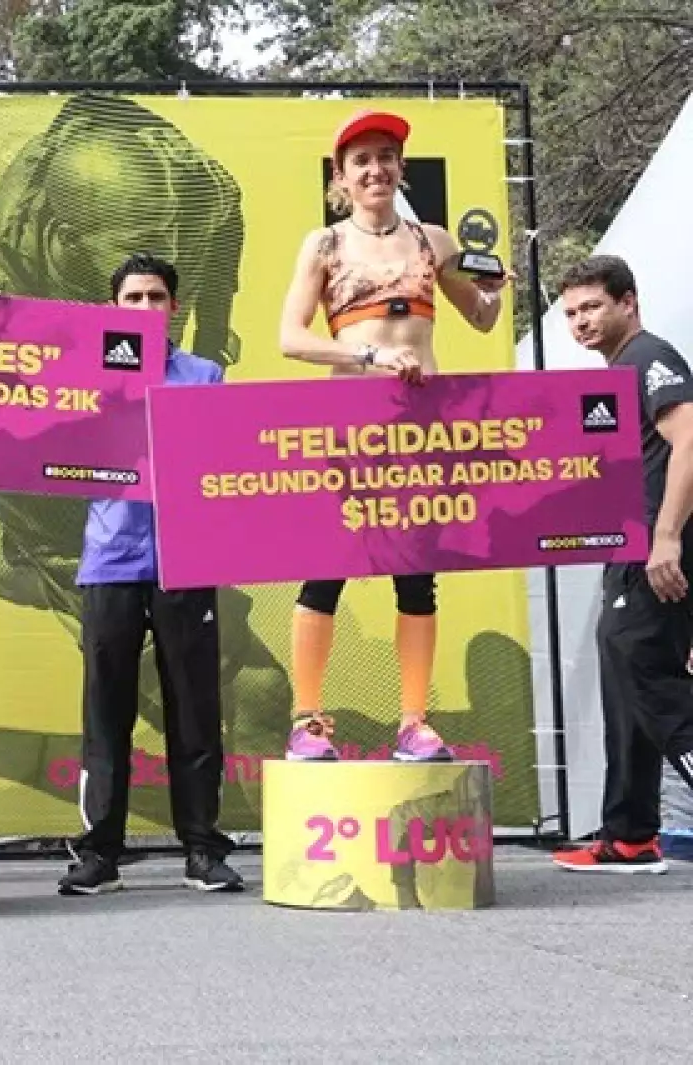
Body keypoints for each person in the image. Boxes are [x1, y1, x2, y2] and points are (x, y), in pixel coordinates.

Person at [277, 109, 510, 763]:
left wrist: (495, 292)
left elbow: (481, 317)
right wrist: (370, 357)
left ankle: (414, 722)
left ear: (401, 168)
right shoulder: (324, 245)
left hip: (421, 432)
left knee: (416, 574)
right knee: (328, 569)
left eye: (385, 156)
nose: (375, 169)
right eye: (362, 160)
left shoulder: (432, 241)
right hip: (350, 429)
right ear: (341, 176)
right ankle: (307, 721)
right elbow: (291, 337)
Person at [59, 253, 244, 897]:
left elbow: (225, 460)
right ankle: (98, 855)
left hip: (185, 560)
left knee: (193, 708)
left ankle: (203, 850)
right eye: (132, 298)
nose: (144, 308)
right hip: (109, 558)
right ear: (113, 309)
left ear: (175, 307)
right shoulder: (84, 377)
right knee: (105, 710)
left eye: (155, 297)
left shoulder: (204, 375)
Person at [552, 254, 693, 874]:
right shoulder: (616, 372)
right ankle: (630, 836)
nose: (580, 322)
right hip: (630, 551)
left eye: (592, 307)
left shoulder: (649, 357)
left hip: (659, 554)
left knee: (648, 675)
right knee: (625, 678)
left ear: (628, 302)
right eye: (571, 313)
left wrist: (666, 535)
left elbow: (691, 439)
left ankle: (631, 831)